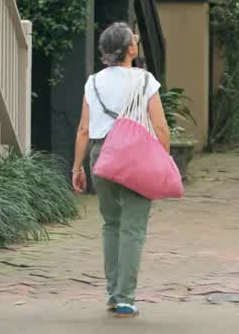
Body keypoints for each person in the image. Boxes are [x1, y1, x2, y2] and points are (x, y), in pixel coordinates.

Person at [72, 22, 171, 319]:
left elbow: (84, 129)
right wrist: (163, 161)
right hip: (138, 155)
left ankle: (114, 294)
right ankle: (126, 299)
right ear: (130, 49)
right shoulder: (144, 80)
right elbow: (161, 126)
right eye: (135, 39)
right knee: (133, 228)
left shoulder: (93, 82)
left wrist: (77, 167)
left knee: (111, 224)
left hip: (102, 156)